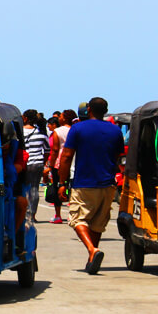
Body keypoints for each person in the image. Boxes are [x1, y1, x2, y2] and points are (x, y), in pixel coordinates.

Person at [58, 97, 123, 274]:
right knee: (97, 223)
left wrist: (62, 182)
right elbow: (118, 155)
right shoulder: (115, 130)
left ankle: (92, 250)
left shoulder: (78, 128)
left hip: (84, 182)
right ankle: (92, 257)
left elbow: (66, 156)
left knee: (77, 219)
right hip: (108, 183)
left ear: (88, 109)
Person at [45, 109, 77, 224]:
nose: (59, 118)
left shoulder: (57, 131)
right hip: (74, 160)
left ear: (64, 118)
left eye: (61, 116)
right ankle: (71, 214)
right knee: (71, 188)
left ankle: (58, 215)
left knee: (57, 187)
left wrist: (51, 164)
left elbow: (55, 149)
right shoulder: (74, 130)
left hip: (59, 162)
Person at [23, 109, 50, 222]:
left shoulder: (20, 132)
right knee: (34, 188)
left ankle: (25, 213)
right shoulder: (41, 133)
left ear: (25, 118)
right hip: (38, 163)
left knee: (24, 189)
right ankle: (33, 215)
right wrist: (43, 162)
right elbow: (47, 150)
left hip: (25, 163)